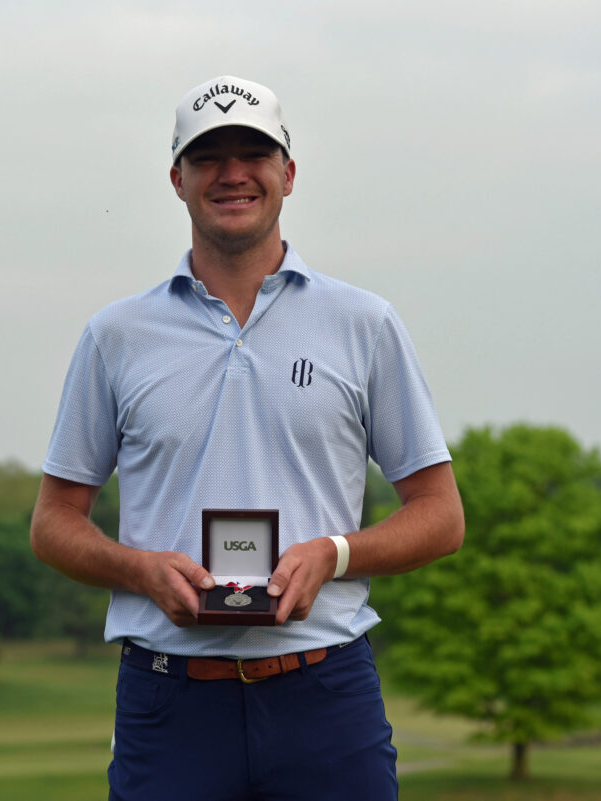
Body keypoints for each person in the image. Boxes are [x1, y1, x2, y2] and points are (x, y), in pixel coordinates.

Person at [30, 75, 465, 801]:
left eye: (253, 153)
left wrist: (335, 553)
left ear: (288, 173)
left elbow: (441, 515)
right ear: (177, 179)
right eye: (209, 157)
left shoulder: (365, 323)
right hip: (170, 701)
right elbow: (52, 523)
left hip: (324, 691)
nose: (232, 173)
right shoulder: (116, 336)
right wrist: (140, 570)